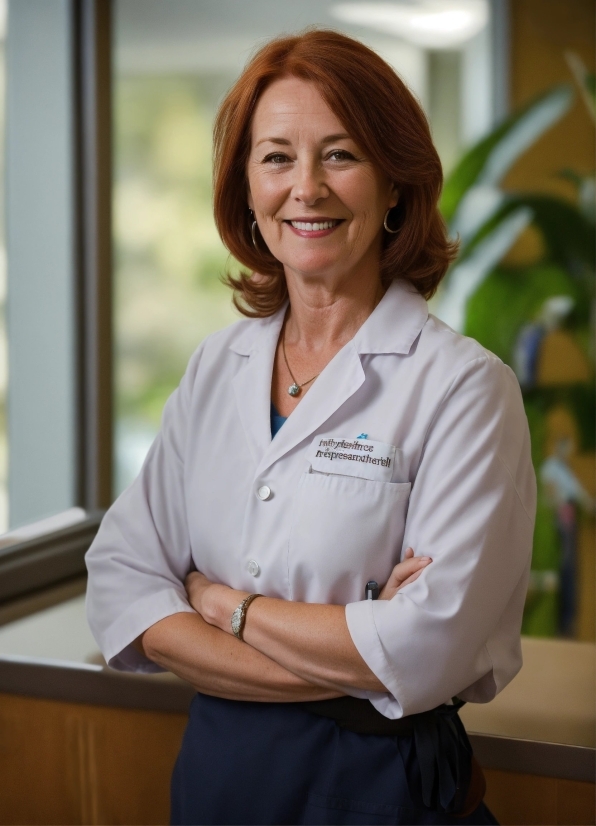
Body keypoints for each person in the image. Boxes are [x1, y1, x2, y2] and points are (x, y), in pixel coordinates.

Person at [86, 29, 536, 826]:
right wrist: (361, 647)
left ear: (396, 184)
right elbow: (123, 584)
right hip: (219, 783)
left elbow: (431, 649)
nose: (306, 189)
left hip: (381, 789)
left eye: (340, 155)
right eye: (276, 158)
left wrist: (219, 603)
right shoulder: (216, 368)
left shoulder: (465, 388)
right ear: (245, 191)